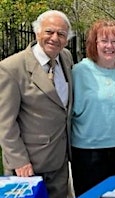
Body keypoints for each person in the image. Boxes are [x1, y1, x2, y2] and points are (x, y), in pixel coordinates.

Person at [0, 10, 74, 198]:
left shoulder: (66, 58)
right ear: (37, 32)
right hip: (28, 167)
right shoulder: (11, 68)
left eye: (61, 34)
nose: (54, 38)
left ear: (67, 39)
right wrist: (19, 161)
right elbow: (5, 123)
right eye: (49, 32)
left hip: (59, 163)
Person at [71, 19, 115, 196]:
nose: (109, 46)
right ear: (94, 44)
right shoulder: (79, 71)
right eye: (104, 41)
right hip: (88, 151)